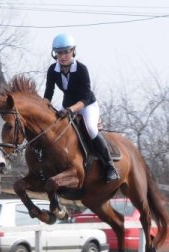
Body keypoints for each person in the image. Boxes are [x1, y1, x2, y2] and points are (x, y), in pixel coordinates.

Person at [43, 33, 119, 184]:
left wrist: (71, 110)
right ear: (55, 54)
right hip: (67, 105)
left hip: (87, 105)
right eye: (59, 52)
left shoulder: (81, 69)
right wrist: (43, 109)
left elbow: (84, 98)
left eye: (66, 52)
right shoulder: (53, 70)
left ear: (73, 51)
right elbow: (48, 94)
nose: (63, 56)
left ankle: (110, 166)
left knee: (91, 128)